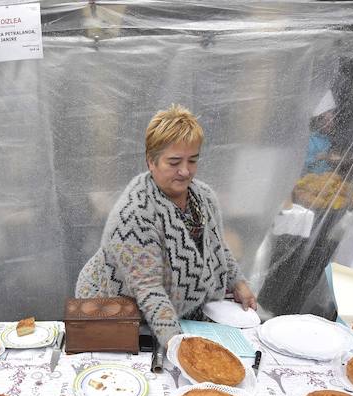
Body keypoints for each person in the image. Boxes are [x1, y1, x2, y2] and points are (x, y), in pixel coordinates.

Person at [76, 104, 256, 347]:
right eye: (173, 162)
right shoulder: (135, 213)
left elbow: (216, 246)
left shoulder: (203, 197)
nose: (185, 171)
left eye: (192, 160)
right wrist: (179, 347)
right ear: (151, 161)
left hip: (173, 307)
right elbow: (148, 290)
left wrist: (238, 282)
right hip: (115, 310)